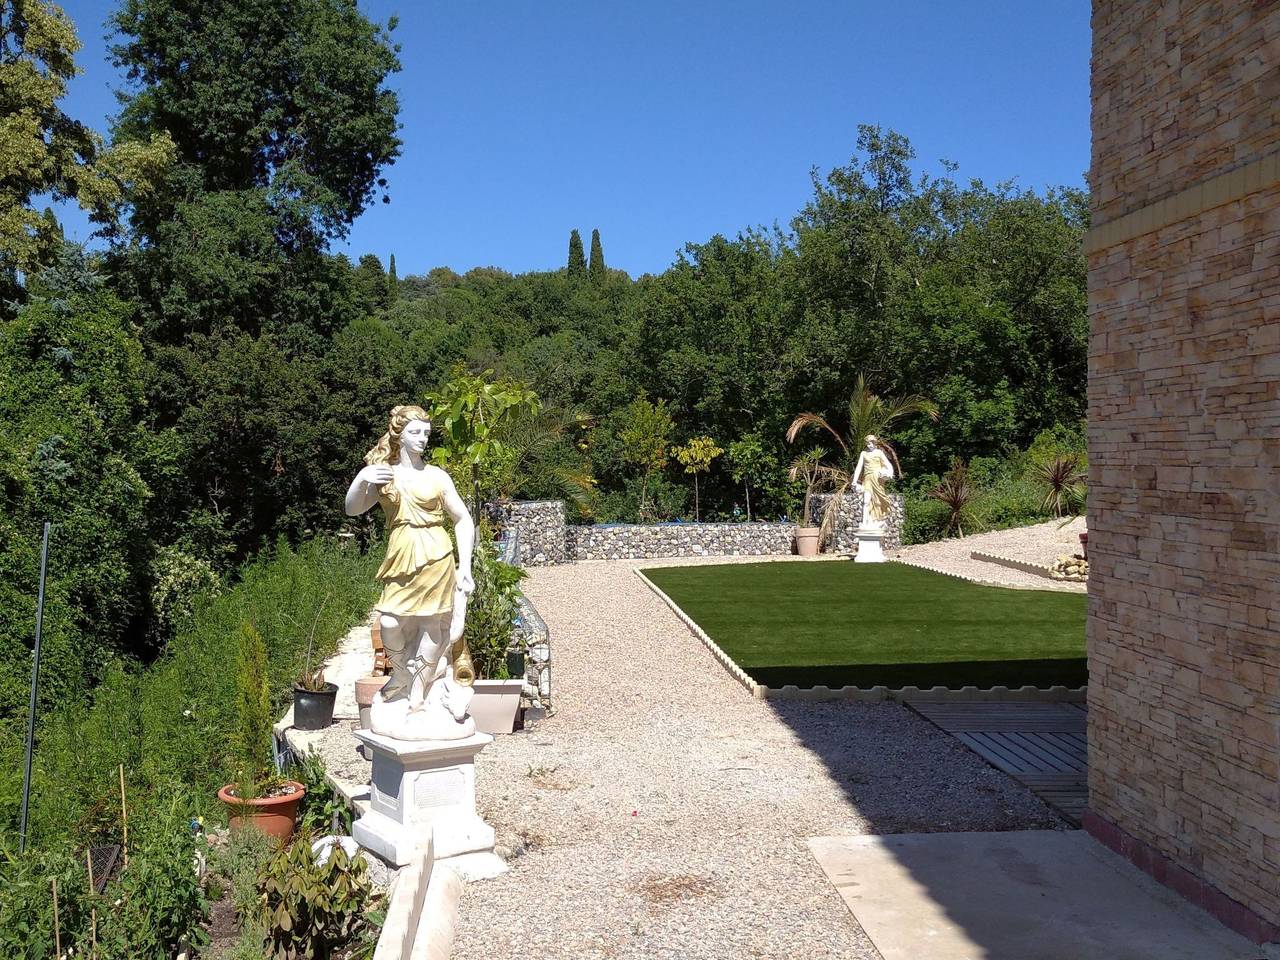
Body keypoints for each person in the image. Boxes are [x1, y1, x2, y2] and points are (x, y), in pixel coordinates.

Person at [345, 405, 477, 740]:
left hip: (436, 554)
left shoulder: (436, 476)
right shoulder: (384, 473)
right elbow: (352, 509)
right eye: (415, 432)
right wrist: (362, 479)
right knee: (390, 621)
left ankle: (417, 695)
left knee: (433, 625)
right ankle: (401, 674)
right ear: (398, 434)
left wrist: (466, 566)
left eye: (426, 433)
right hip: (402, 553)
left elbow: (463, 519)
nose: (422, 439)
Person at [851, 435, 895, 530]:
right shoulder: (863, 453)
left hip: (877, 480)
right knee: (866, 501)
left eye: (871, 443)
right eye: (867, 443)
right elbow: (859, 467)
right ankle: (864, 523)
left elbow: (888, 465)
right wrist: (854, 481)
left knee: (878, 500)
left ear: (875, 443)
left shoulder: (879, 453)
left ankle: (878, 520)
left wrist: (889, 474)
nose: (869, 445)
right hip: (867, 479)